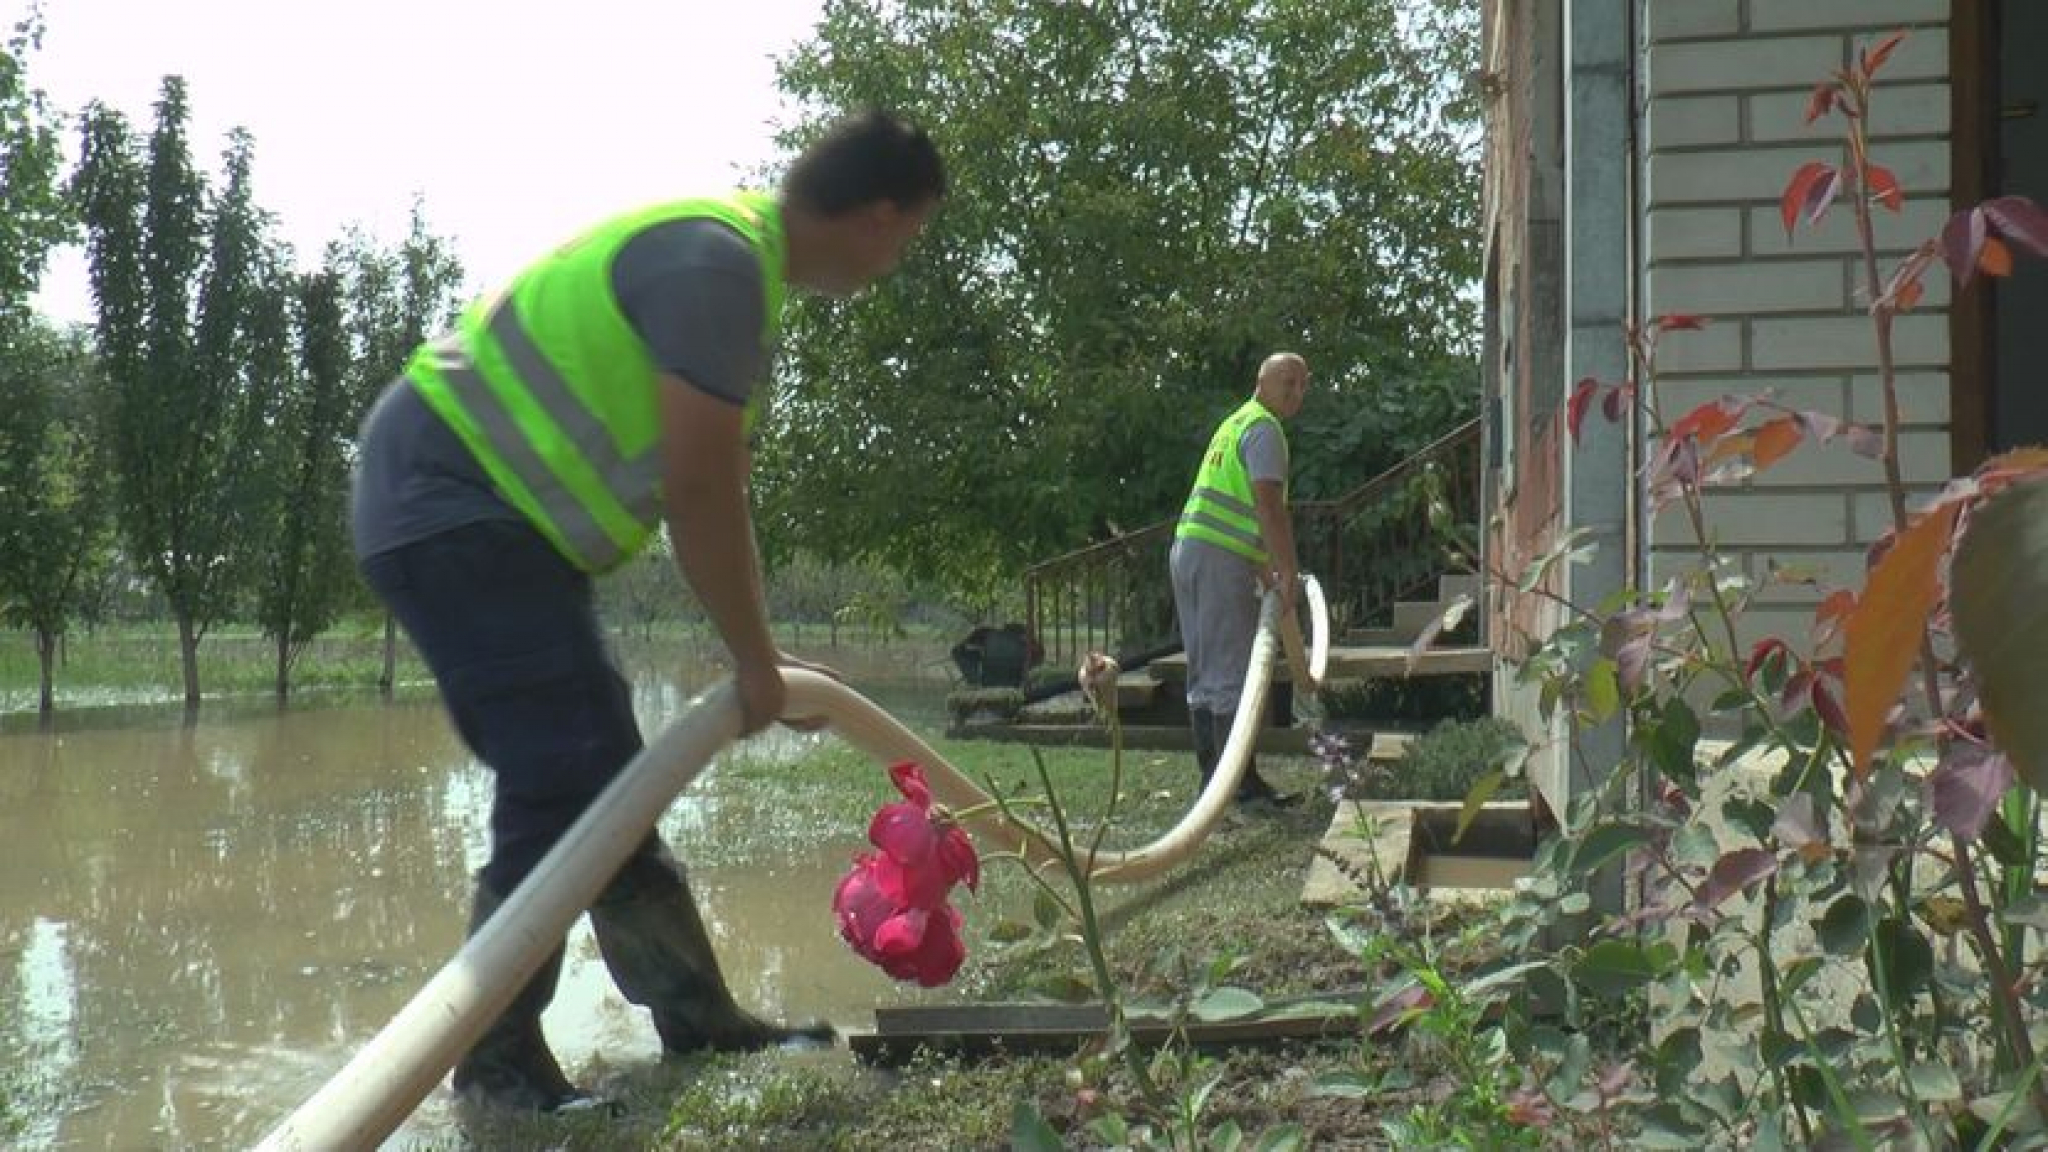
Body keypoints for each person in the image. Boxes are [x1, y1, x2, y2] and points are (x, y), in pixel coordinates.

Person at [348, 110, 946, 1112]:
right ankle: (493, 1063)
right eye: (909, 236)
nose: (896, 261)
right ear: (878, 215)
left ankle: (694, 1017)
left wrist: (766, 656)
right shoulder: (717, 266)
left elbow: (699, 486)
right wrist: (758, 667)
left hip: (481, 520)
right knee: (565, 769)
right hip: (451, 502)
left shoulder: (730, 262)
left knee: (595, 768)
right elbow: (700, 490)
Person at [1168, 352, 1311, 808]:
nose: (1295, 392)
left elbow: (1232, 505)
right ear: (1261, 382)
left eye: (1302, 384)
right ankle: (1239, 790)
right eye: (1286, 381)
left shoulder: (1235, 423)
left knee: (1206, 673)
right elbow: (1267, 504)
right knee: (1230, 673)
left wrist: (1259, 564)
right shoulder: (1265, 429)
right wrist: (1287, 570)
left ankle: (1217, 786)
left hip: (1191, 550)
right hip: (1217, 558)